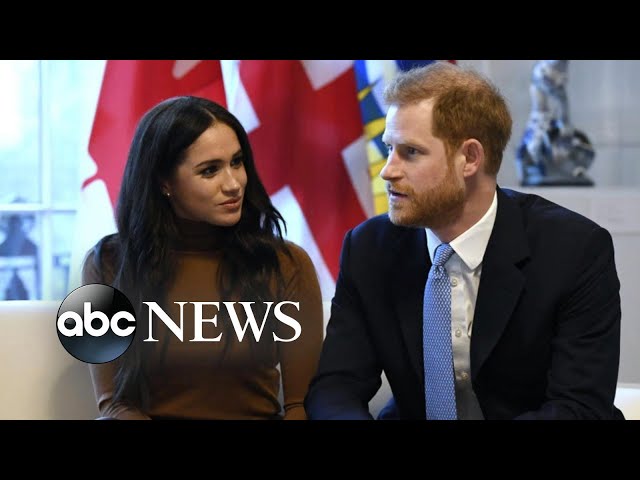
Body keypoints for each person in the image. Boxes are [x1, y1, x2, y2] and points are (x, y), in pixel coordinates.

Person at [304, 62, 623, 420]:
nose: (387, 171)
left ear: (470, 158)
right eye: (388, 148)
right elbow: (335, 388)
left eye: (410, 152)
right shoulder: (368, 248)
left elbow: (579, 407)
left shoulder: (574, 250)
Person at [82, 96, 323, 420]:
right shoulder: (107, 264)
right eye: (210, 170)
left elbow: (300, 405)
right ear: (164, 182)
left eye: (237, 162)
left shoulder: (286, 264)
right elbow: (113, 404)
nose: (233, 184)